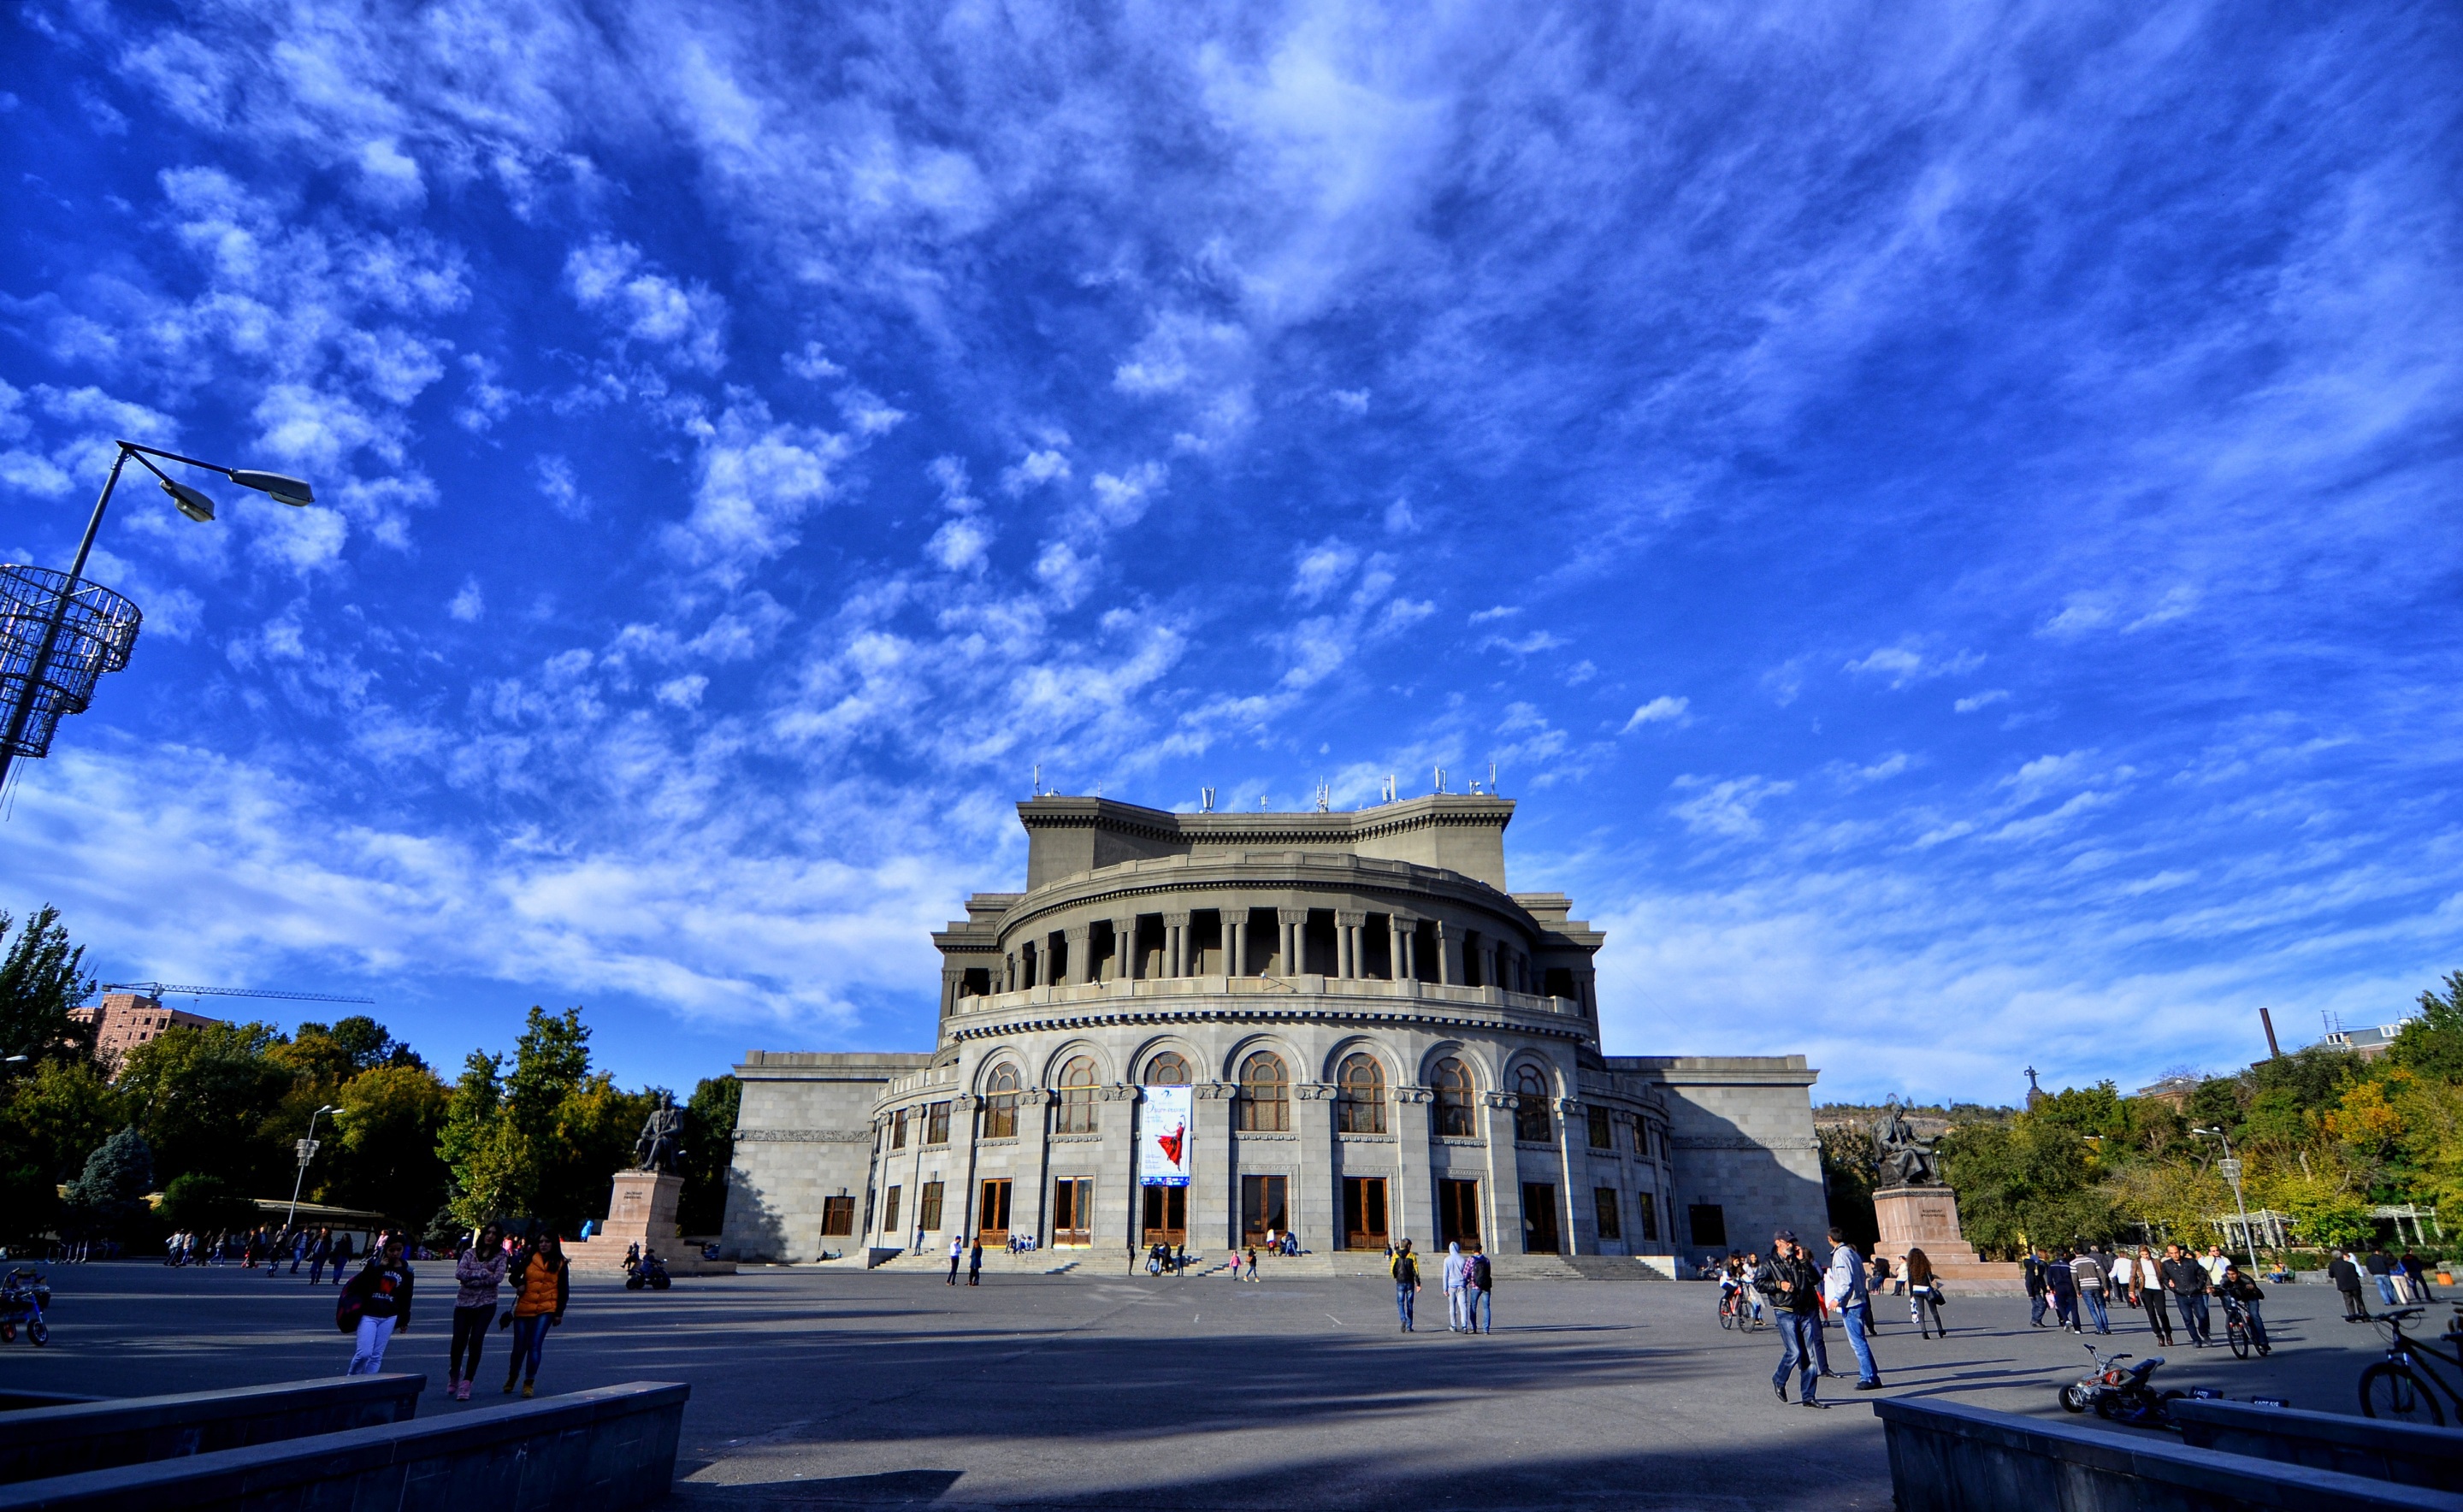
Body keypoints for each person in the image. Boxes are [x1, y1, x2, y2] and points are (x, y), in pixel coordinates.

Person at [1757, 1231, 1826, 1408]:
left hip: (1804, 1311)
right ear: (1778, 1242)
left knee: (1809, 1356)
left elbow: (1816, 1279)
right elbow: (1758, 1283)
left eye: (1794, 1242)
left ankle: (1808, 1396)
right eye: (1788, 1242)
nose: (1792, 1245)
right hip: (1785, 1310)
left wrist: (1803, 1261)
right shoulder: (1769, 1263)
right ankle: (1779, 1379)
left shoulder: (1798, 1261)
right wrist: (1779, 1285)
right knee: (1794, 1352)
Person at [502, 1231, 569, 1398]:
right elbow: (514, 1276)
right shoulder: (529, 1258)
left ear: (554, 1243)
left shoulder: (561, 1263)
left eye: (547, 1242)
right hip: (525, 1306)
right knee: (519, 1347)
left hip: (546, 1308)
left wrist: (559, 1313)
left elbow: (564, 1290)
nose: (543, 1245)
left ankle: (529, 1382)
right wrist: (520, 1283)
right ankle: (513, 1375)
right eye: (541, 1242)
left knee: (534, 1345)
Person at [448, 1225, 508, 1402]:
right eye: (488, 1233)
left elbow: (497, 1277)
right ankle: (454, 1372)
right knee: (458, 1342)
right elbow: (459, 1274)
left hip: (486, 1304)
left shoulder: (501, 1255)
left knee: (475, 1341)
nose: (490, 1236)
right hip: (464, 1304)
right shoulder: (469, 1253)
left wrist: (472, 1277)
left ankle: (467, 1381)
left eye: (494, 1234)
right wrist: (482, 1273)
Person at [343, 1235, 414, 1376]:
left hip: (389, 1316)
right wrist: (379, 1269)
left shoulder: (407, 1271)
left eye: (398, 1250)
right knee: (364, 1353)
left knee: (376, 1355)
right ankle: (352, 1377)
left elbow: (406, 1296)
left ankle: (368, 1383)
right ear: (385, 1249)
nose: (395, 1253)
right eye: (391, 1250)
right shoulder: (374, 1264)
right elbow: (362, 1285)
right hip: (369, 1313)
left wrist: (405, 1319)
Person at [1825, 1227, 1882, 1391]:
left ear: (1830, 1239)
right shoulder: (1852, 1253)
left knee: (1858, 1342)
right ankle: (1873, 1375)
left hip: (1852, 1303)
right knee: (1860, 1340)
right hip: (1860, 1299)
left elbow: (1845, 1281)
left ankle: (1868, 1377)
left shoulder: (1840, 1255)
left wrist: (1837, 1299)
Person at [2160, 1243, 2211, 1347]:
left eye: (2176, 1252)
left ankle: (2204, 1332)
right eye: (2172, 1253)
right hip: (2181, 1295)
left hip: (2195, 1293)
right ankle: (2196, 1339)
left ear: (2180, 1252)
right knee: (2188, 1318)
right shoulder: (2166, 1264)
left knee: (2203, 1315)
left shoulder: (2191, 1262)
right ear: (2169, 1254)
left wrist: (2199, 1286)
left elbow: (2202, 1273)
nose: (2175, 1255)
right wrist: (2173, 1288)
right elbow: (2164, 1278)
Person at [2221, 1264, 2271, 1355]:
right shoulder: (2224, 1280)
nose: (2231, 1276)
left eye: (2233, 1274)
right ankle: (2234, 1319)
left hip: (2251, 1296)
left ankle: (2263, 1341)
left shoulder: (2246, 1279)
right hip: (2236, 1295)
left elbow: (2254, 1289)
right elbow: (2221, 1290)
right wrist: (2214, 1291)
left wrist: (2251, 1288)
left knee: (2254, 1315)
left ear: (2238, 1273)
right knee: (2225, 1297)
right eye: (2229, 1274)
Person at [2135, 1245, 2174, 1343]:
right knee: (2151, 1313)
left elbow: (2164, 1273)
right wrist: (2131, 1291)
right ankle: (2159, 1335)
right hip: (2145, 1290)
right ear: (2139, 1254)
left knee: (2162, 1313)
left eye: (2146, 1254)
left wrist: (2170, 1280)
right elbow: (2132, 1276)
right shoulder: (2137, 1263)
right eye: (2142, 1254)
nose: (2145, 1256)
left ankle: (2168, 1333)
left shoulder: (2156, 1262)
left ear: (2149, 1253)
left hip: (2157, 1289)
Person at [1905, 1248, 1946, 1338]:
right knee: (1934, 1311)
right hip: (1927, 1290)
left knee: (1921, 1312)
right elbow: (1931, 1278)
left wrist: (1911, 1294)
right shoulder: (1926, 1266)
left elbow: (1910, 1280)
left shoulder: (1911, 1267)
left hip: (1916, 1290)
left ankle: (1924, 1331)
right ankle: (1940, 1329)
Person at [2074, 1247, 2111, 1335]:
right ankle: (2106, 1328)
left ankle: (2100, 1329)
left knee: (2092, 1309)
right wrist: (2105, 1288)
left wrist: (2077, 1290)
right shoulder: (2092, 1260)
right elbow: (2102, 1274)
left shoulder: (2073, 1263)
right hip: (2096, 1285)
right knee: (2101, 1307)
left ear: (2075, 1252)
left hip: (2085, 1286)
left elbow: (2074, 1278)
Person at [2330, 1249, 2369, 1320]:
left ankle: (2352, 1316)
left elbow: (2331, 1275)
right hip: (2354, 1284)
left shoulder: (2333, 1265)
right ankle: (2364, 1316)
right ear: (2342, 1256)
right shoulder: (2351, 1264)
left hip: (2343, 1285)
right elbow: (2356, 1274)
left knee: (2348, 1301)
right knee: (2359, 1301)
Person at [1391, 1240, 1420, 1331]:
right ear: (1408, 1246)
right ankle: (1409, 1326)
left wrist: (1395, 1276)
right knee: (1410, 1304)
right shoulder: (1412, 1256)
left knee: (1400, 1303)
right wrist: (1418, 1283)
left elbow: (1392, 1269)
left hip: (1400, 1281)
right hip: (1410, 1282)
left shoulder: (1395, 1255)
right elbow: (1416, 1271)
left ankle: (1403, 1319)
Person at [2046, 1250, 2078, 1332]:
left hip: (2059, 1286)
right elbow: (2074, 1276)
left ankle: (2065, 1319)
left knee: (2060, 1305)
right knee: (2074, 1307)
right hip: (2070, 1286)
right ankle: (2078, 1328)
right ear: (2065, 1254)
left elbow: (2049, 1279)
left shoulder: (2052, 1264)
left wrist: (2052, 1288)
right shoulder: (2068, 1264)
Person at [1443, 1242, 1471, 1332]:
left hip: (1451, 1286)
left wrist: (1445, 1288)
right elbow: (1466, 1273)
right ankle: (1464, 1326)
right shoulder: (1463, 1259)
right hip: (1462, 1285)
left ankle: (1453, 1325)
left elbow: (1445, 1275)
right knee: (1463, 1306)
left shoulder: (1447, 1260)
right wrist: (1465, 1282)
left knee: (1452, 1306)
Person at [1469, 1247, 1493, 1333]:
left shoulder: (1471, 1260)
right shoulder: (1486, 1260)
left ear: (1473, 1251)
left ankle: (1474, 1327)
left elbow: (1466, 1273)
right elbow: (1489, 1272)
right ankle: (1486, 1329)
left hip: (1475, 1286)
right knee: (1486, 1307)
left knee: (1473, 1307)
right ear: (1481, 1250)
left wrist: (1468, 1280)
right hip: (1486, 1286)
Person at [2023, 1249, 2047, 1327]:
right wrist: (2030, 1293)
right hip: (2034, 1292)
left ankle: (2035, 1321)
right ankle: (2035, 1319)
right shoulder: (2030, 1273)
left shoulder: (2031, 1272)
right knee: (2042, 1305)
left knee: (2035, 1306)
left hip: (2035, 1291)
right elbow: (2028, 1284)